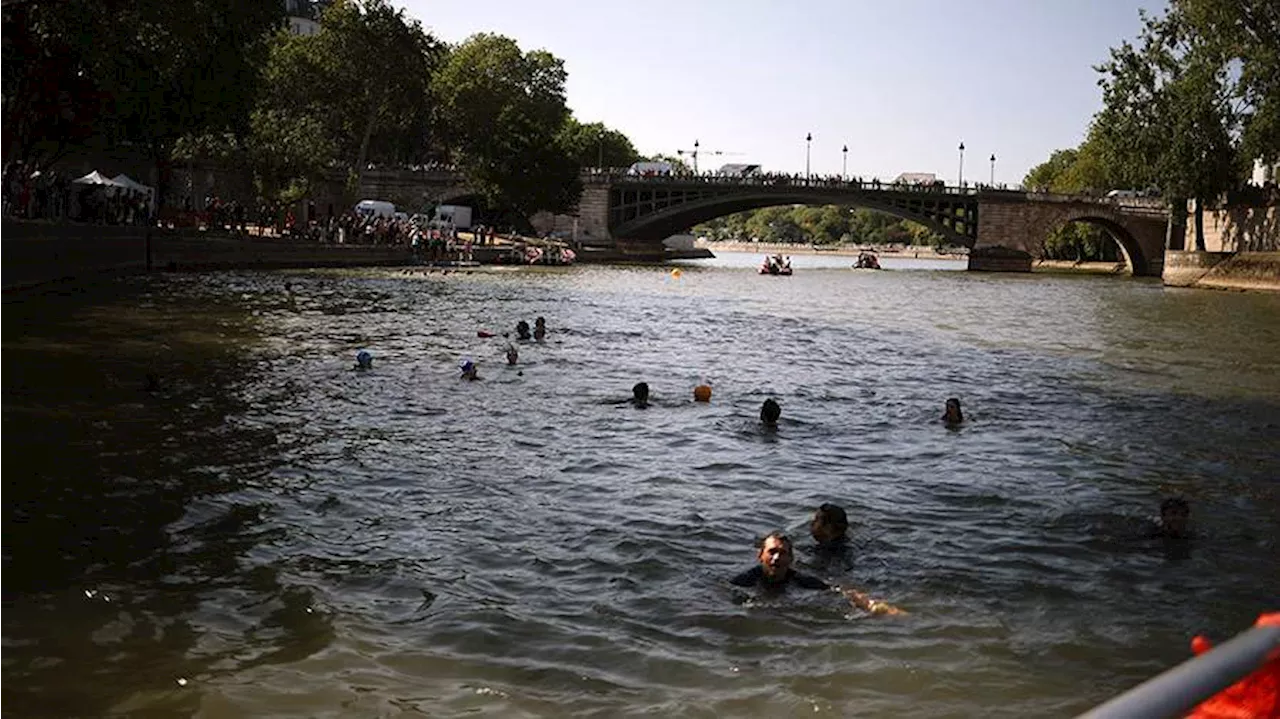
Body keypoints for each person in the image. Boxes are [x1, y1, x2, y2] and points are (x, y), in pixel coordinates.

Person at [729, 533, 903, 616]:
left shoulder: (800, 580)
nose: (776, 558)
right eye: (772, 552)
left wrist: (876, 606)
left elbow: (839, 591)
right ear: (760, 555)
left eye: (783, 553)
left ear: (791, 559)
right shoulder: (743, 581)